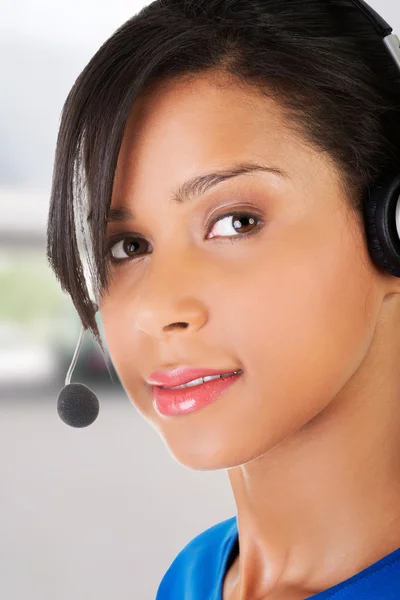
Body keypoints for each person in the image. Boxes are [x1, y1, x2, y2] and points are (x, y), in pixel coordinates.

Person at [46, 0, 400, 597]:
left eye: (235, 222)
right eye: (129, 245)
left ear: (388, 227)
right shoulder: (193, 575)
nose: (159, 309)